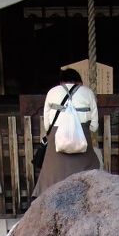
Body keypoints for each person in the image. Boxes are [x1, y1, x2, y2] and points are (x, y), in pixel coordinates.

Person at [32, 67, 100, 198]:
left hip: (56, 134)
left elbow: (47, 123)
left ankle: (48, 197)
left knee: (53, 171)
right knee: (89, 168)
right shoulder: (87, 92)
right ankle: (84, 195)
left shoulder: (52, 92)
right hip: (82, 134)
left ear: (61, 81)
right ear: (79, 81)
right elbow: (94, 125)